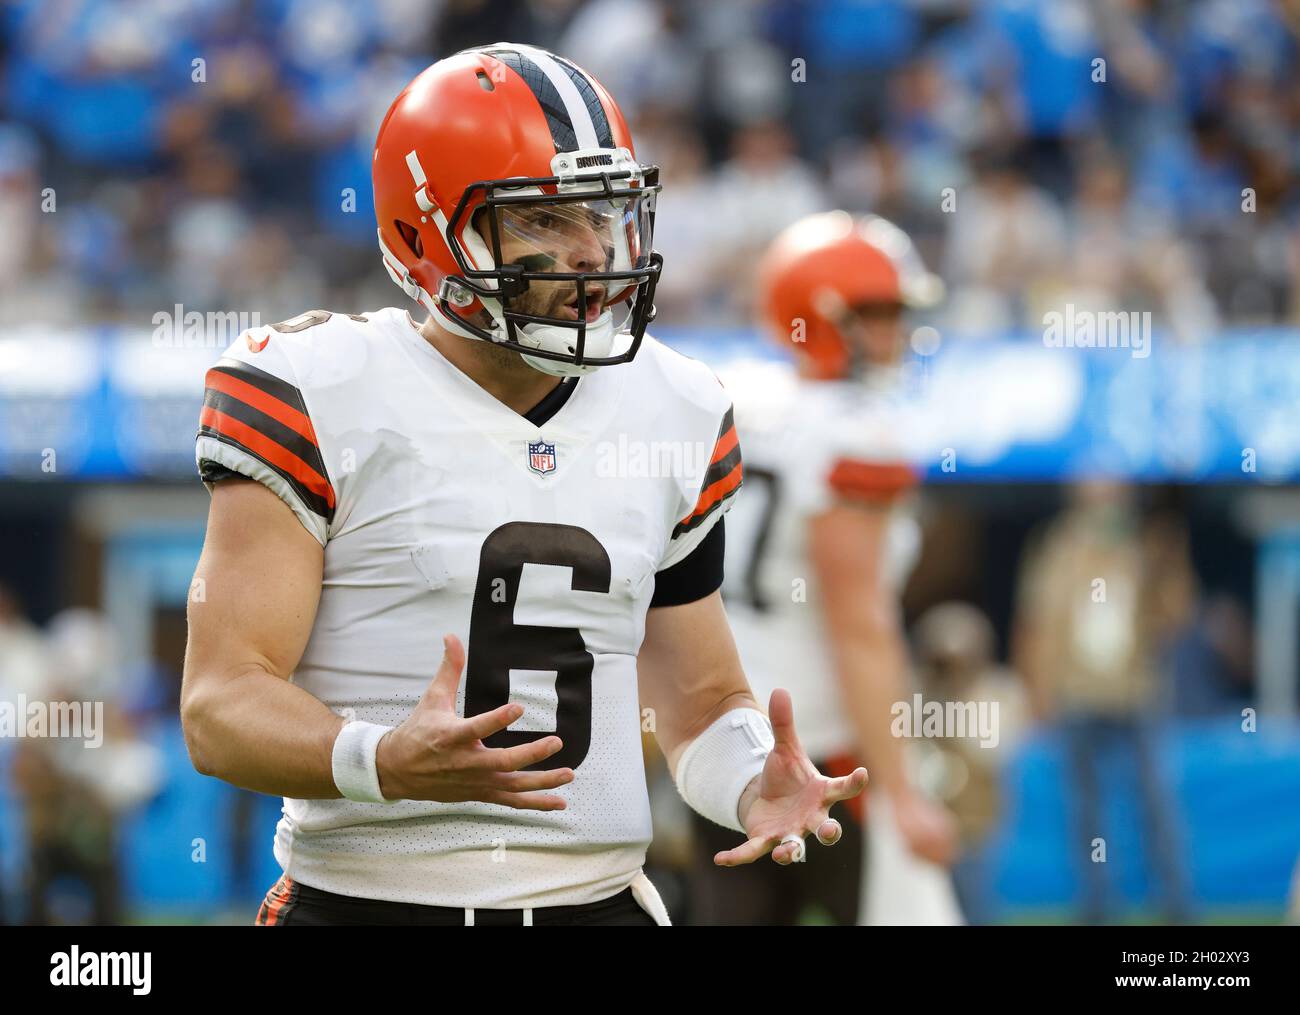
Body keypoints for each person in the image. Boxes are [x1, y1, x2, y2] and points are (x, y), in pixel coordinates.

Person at [180, 43, 865, 927]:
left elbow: (700, 700)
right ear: (429, 235)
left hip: (599, 905)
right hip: (365, 903)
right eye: (545, 222)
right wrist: (379, 757)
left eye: (604, 214)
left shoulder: (676, 405)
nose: (591, 253)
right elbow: (219, 704)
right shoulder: (317, 390)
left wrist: (748, 777)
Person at [690, 210, 956, 925]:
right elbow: (861, 627)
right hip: (827, 754)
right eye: (878, 314)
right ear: (824, 315)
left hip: (719, 738)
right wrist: (903, 790)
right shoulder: (853, 430)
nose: (895, 334)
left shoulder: (737, 399)